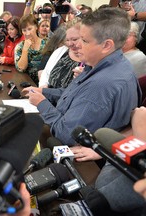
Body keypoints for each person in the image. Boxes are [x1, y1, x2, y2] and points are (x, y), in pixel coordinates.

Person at [22, 7, 140, 149]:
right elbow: (72, 95)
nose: (77, 46)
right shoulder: (107, 64)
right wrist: (43, 92)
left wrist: (42, 103)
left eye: (83, 40)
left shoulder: (100, 85)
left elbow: (67, 134)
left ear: (106, 45)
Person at [39, 18, 82, 88]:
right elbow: (46, 73)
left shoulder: (90, 59)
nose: (70, 43)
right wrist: (43, 87)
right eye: (67, 40)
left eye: (74, 39)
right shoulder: (60, 51)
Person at [15, 14, 47, 85]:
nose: (27, 33)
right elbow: (21, 68)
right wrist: (25, 49)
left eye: (29, 29)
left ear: (36, 27)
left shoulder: (46, 44)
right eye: (24, 30)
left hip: (44, 83)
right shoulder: (20, 46)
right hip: (26, 83)